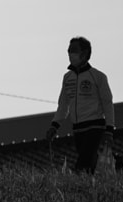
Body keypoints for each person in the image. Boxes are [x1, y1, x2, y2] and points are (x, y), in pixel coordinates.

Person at [46, 36, 115, 173]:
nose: (70, 53)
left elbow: (107, 104)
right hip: (78, 128)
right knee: (89, 163)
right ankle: (91, 185)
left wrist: (109, 129)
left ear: (84, 53)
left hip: (95, 126)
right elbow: (63, 105)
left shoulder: (98, 76)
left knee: (83, 163)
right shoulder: (67, 78)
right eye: (69, 50)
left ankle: (78, 180)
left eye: (74, 50)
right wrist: (54, 126)